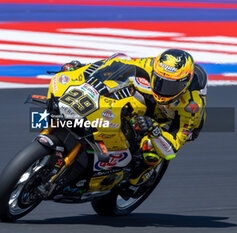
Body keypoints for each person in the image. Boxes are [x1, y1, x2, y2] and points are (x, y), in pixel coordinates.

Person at [60, 49, 207, 185]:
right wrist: (82, 68)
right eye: (159, 81)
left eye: (170, 86)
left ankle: (138, 179)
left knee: (151, 150)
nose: (162, 88)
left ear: (185, 84)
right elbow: (114, 65)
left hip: (171, 121)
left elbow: (171, 149)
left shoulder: (192, 106)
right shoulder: (149, 65)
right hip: (150, 102)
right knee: (121, 96)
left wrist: (154, 129)